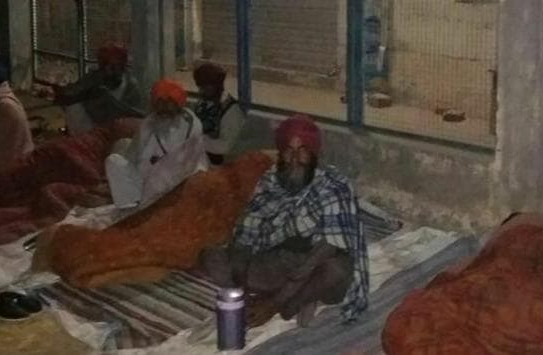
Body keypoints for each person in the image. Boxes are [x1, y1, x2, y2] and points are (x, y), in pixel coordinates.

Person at [202, 114, 368, 327]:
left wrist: (273, 304)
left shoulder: (335, 186)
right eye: (289, 151)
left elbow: (326, 250)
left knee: (337, 270)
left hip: (313, 265)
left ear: (314, 154)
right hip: (276, 261)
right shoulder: (271, 179)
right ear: (280, 153)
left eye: (303, 151)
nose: (295, 159)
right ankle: (288, 298)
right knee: (211, 257)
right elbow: (246, 233)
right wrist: (241, 289)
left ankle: (291, 301)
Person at [105, 79, 208, 209]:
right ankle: (130, 209)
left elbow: (191, 165)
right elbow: (132, 157)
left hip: (175, 184)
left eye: (168, 103)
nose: (163, 108)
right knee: (114, 161)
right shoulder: (149, 123)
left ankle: (146, 208)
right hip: (145, 183)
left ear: (178, 105)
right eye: (160, 102)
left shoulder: (191, 126)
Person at [54, 43, 143, 135]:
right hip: (91, 127)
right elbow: (68, 96)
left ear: (122, 66)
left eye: (114, 66)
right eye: (105, 64)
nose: (108, 69)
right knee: (73, 106)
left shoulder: (130, 85)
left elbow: (132, 113)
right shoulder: (93, 77)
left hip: (117, 129)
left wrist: (107, 99)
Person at [193, 63, 245, 165]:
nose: (201, 91)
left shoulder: (231, 111)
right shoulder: (203, 103)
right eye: (200, 86)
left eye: (205, 87)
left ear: (217, 86)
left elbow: (226, 147)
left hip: (220, 165)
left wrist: (197, 141)